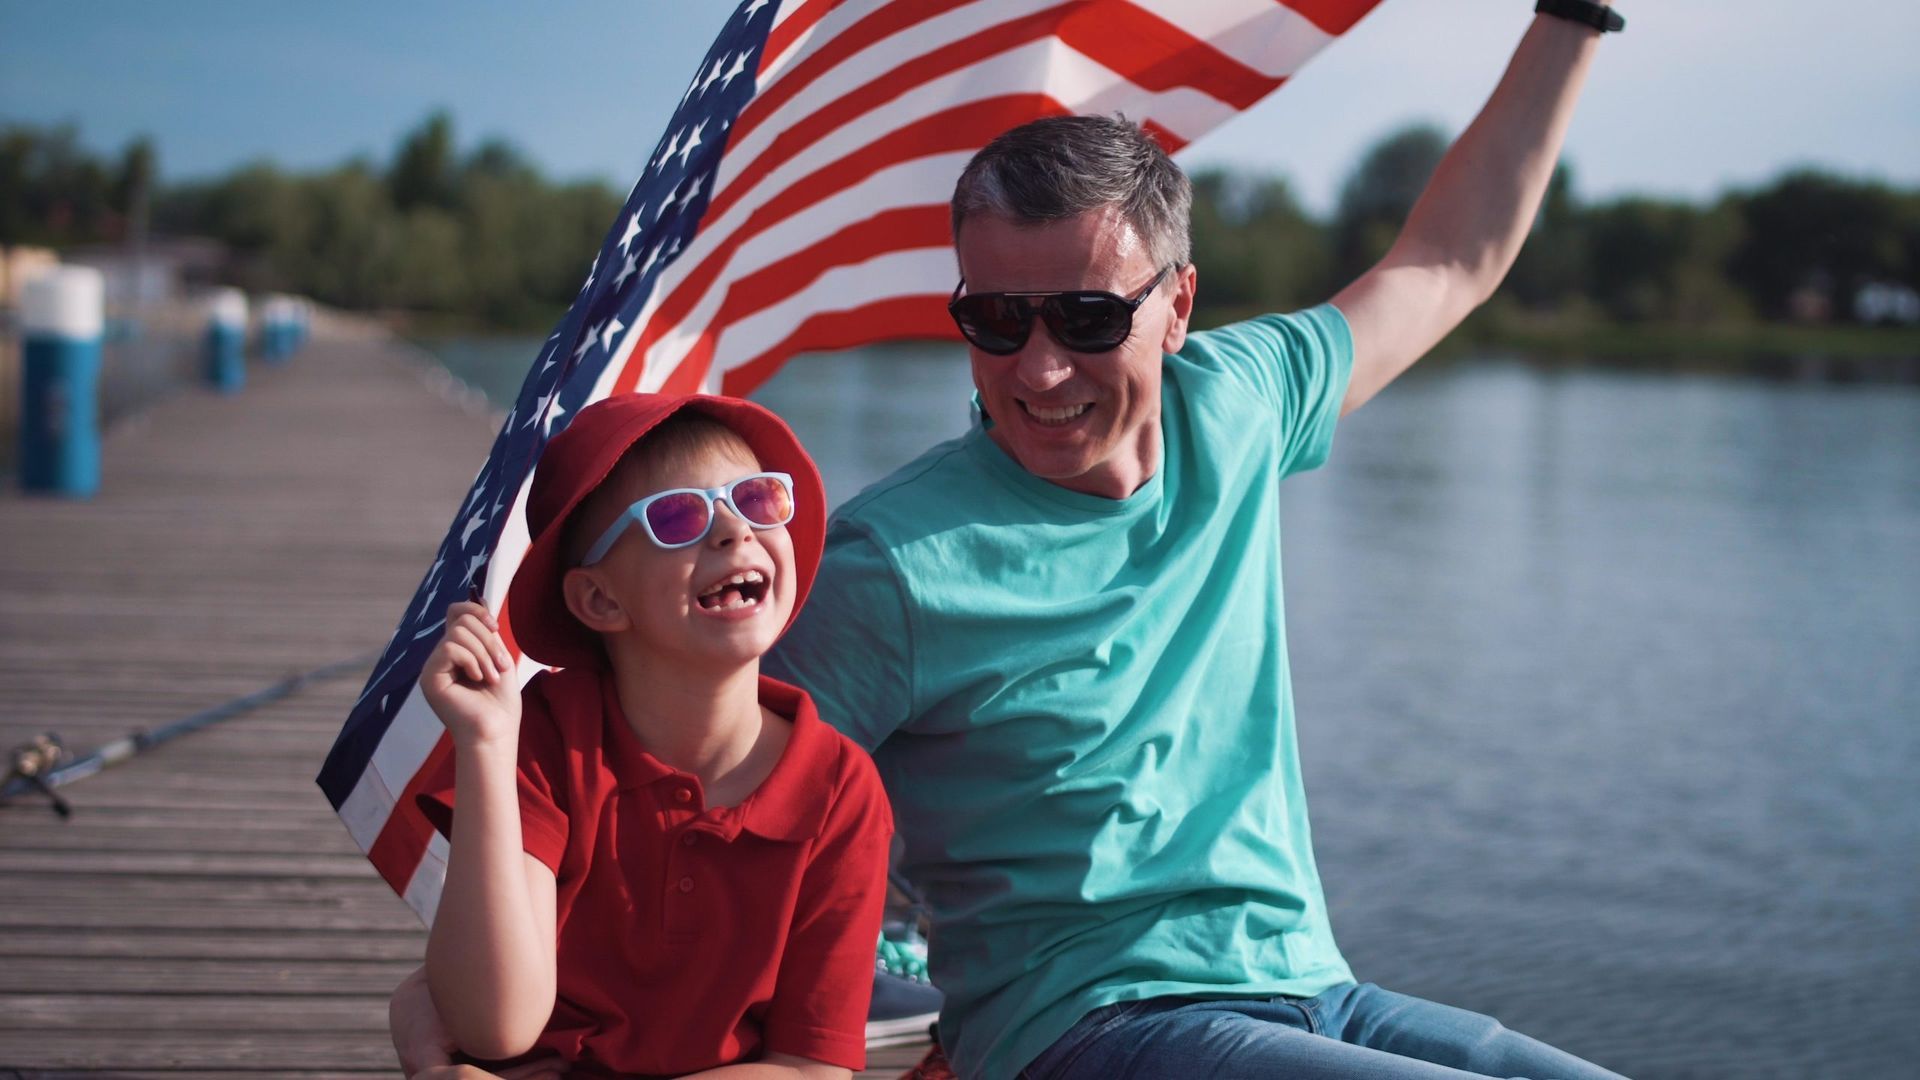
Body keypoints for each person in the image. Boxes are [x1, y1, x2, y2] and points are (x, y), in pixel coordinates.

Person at [757, 8, 1634, 1080]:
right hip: (1086, 1027)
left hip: (1315, 987)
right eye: (996, 319)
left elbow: (1449, 260)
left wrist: (1574, 21)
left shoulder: (1241, 404)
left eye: (1083, 319)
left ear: (1177, 309)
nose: (1036, 370)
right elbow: (718, 799)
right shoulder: (892, 562)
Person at [408, 393, 893, 1079]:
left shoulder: (838, 789)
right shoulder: (543, 741)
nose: (734, 532)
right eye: (677, 517)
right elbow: (495, 1029)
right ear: (600, 600)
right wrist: (485, 746)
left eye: (757, 499)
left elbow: (811, 1068)